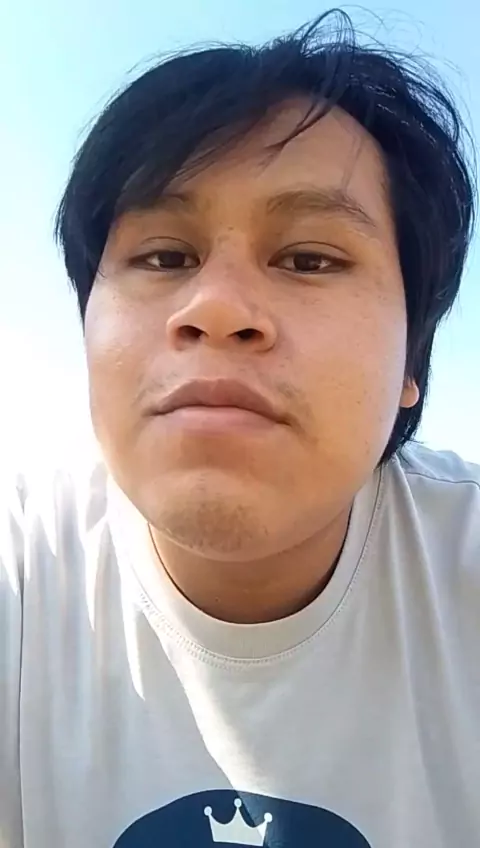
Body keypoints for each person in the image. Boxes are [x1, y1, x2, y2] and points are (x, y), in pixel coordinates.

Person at [1, 9, 478, 846]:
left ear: (414, 357)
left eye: (308, 258)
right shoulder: (24, 572)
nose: (216, 308)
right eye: (164, 256)